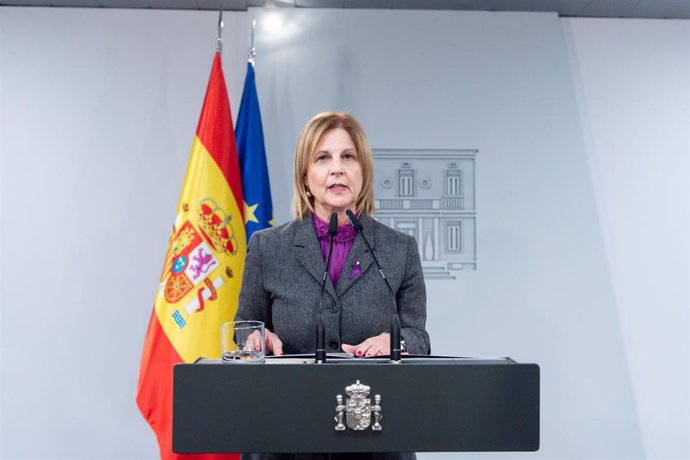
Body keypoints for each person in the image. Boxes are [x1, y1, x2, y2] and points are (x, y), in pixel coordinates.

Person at [235, 112, 430, 460]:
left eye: (348, 157)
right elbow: (244, 327)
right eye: (323, 158)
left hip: (375, 437)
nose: (336, 169)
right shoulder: (268, 247)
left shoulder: (399, 249)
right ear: (305, 177)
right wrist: (257, 337)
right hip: (286, 435)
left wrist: (396, 340)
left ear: (363, 172)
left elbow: (418, 336)